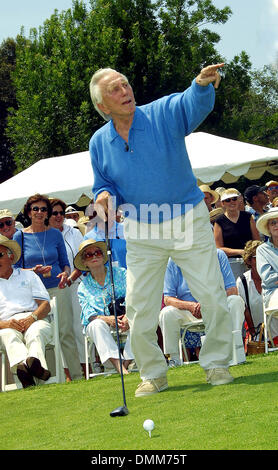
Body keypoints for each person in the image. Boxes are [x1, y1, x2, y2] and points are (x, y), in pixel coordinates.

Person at [89, 63, 236, 395]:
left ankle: (215, 363)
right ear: (103, 106)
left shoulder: (162, 112)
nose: (125, 91)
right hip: (141, 228)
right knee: (139, 305)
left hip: (187, 218)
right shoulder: (98, 141)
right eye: (115, 89)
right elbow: (104, 183)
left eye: (125, 84)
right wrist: (104, 198)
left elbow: (190, 103)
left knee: (212, 293)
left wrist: (200, 84)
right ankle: (153, 373)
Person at [13, 193, 82, 381]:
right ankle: (47, 377)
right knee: (41, 333)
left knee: (65, 332)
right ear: (28, 212)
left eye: (44, 209)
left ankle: (76, 377)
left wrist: (65, 274)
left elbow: (65, 263)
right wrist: (32, 270)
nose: (39, 212)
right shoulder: (19, 236)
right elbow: (16, 268)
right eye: (35, 209)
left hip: (58, 288)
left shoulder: (55, 234)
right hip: (33, 294)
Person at [159, 250, 245, 367]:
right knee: (166, 313)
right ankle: (174, 359)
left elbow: (232, 290)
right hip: (189, 311)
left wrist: (209, 303)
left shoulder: (218, 255)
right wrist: (190, 306)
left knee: (235, 301)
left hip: (216, 306)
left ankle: (234, 350)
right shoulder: (173, 261)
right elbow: (168, 299)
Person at [0, 235, 52, 388]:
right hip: (6, 324)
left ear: (11, 257)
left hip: (33, 319)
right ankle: (34, 369)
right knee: (8, 335)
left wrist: (32, 318)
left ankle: (27, 369)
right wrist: (6, 324)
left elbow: (45, 305)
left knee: (36, 332)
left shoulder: (28, 275)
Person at [75, 239, 134, 374]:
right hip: (100, 323)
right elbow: (89, 315)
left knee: (139, 318)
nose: (94, 256)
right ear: (84, 262)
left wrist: (127, 316)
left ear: (103, 256)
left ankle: (126, 362)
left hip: (125, 317)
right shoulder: (83, 286)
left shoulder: (121, 273)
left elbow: (133, 296)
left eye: (97, 252)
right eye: (89, 255)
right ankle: (119, 366)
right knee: (96, 325)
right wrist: (108, 319)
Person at [48, 198, 86, 375]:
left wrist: (70, 279)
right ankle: (68, 372)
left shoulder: (74, 232)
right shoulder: (46, 236)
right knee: (62, 330)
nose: (58, 216)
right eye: (54, 213)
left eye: (61, 213)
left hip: (75, 284)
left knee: (78, 327)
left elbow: (82, 259)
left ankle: (86, 367)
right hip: (56, 288)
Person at [236, 240, 278, 346]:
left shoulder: (273, 277)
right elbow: (245, 309)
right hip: (258, 334)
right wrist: (253, 332)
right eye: (257, 257)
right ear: (249, 261)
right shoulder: (242, 281)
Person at [214, 187, 260, 279]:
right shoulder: (219, 221)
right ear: (223, 203)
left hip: (251, 261)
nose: (232, 202)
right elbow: (219, 248)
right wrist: (240, 252)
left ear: (239, 200)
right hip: (231, 264)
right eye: (228, 200)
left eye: (234, 199)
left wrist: (250, 254)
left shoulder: (248, 217)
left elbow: (257, 241)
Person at [256, 209, 278, 328]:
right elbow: (268, 278)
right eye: (273, 223)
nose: (276, 225)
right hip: (274, 292)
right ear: (268, 228)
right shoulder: (262, 250)